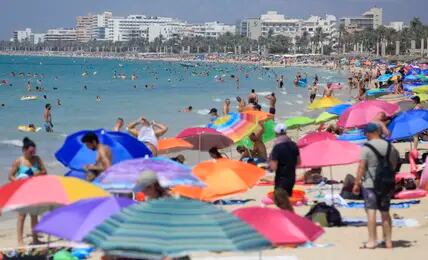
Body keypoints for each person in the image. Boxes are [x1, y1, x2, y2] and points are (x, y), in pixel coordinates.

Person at [352, 123, 399, 249]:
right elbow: (394, 164)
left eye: (366, 133)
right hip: (386, 183)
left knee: (371, 211)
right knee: (385, 212)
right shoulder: (389, 146)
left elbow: (361, 167)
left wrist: (356, 183)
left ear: (369, 133)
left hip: (370, 183)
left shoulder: (366, 148)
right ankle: (388, 241)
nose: (365, 135)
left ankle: (372, 241)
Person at [8, 137, 47, 247]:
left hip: (34, 190)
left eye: (34, 151)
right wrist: (18, 180)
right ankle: (20, 241)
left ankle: (35, 239)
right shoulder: (18, 161)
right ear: (24, 150)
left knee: (34, 215)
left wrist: (36, 174)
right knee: (22, 216)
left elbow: (44, 172)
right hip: (22, 191)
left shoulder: (37, 159)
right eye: (30, 152)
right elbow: (10, 176)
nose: (32, 153)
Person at [269, 124, 300, 212]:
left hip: (281, 179)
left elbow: (274, 167)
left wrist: (268, 167)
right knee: (285, 201)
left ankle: (291, 218)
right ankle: (290, 217)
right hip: (291, 178)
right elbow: (298, 162)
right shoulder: (294, 145)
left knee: (281, 203)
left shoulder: (277, 147)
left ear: (276, 133)